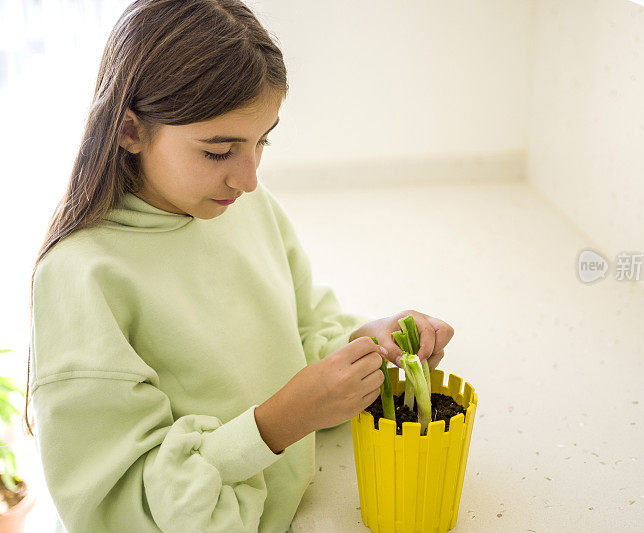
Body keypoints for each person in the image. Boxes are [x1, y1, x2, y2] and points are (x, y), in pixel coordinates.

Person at [22, 1, 454, 532]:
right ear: (129, 131)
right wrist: (280, 422)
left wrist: (366, 344)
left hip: (306, 505)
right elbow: (117, 509)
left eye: (261, 141)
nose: (248, 179)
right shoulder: (80, 277)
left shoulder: (247, 205)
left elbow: (302, 328)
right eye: (217, 151)